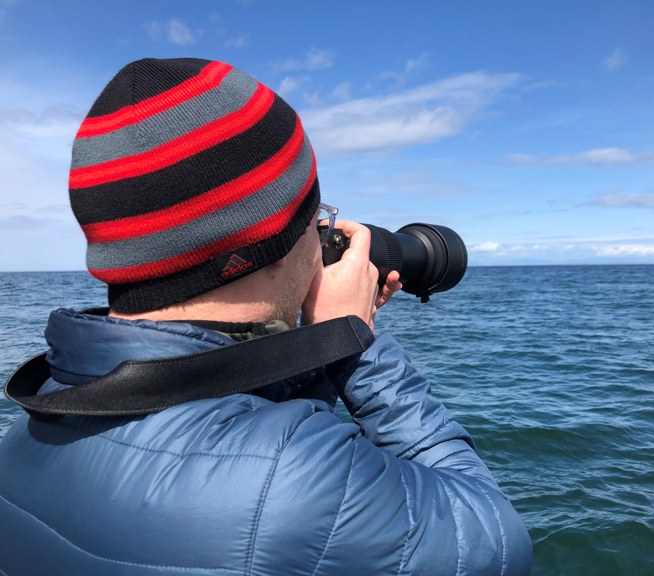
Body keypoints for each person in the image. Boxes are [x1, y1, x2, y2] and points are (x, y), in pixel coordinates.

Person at [0, 58, 532, 575]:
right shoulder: (291, 486)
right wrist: (355, 343)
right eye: (315, 220)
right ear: (276, 242)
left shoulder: (29, 432)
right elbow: (492, 539)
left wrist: (311, 350)